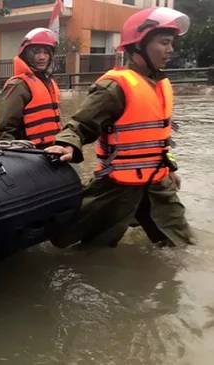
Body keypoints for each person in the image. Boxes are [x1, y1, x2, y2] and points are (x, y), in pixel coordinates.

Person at [44, 7, 194, 249]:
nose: (171, 50)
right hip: (119, 187)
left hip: (158, 183)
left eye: (172, 43)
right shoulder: (114, 88)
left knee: (182, 247)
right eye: (164, 42)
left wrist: (170, 168)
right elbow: (80, 124)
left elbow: (157, 139)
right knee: (81, 244)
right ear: (138, 46)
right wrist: (67, 143)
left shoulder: (160, 85)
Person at [0, 28, 61, 149]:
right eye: (36, 52)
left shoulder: (49, 84)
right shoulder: (18, 85)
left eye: (46, 52)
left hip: (51, 151)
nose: (42, 57)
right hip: (30, 155)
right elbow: (4, 133)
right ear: (26, 54)